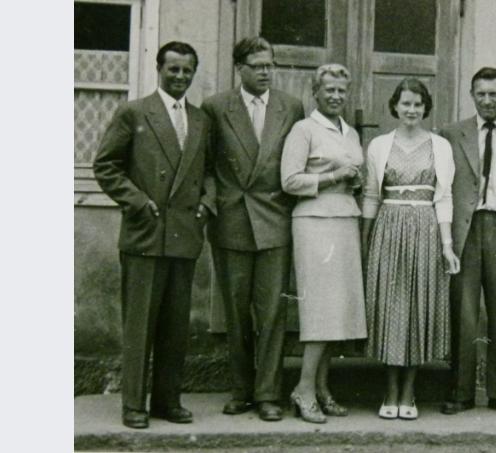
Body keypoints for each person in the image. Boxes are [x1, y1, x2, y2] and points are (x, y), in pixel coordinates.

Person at [93, 41, 215, 429]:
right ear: (159, 70)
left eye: (187, 70)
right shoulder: (134, 112)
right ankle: (133, 404)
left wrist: (207, 204)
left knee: (175, 328)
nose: (180, 77)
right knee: (140, 325)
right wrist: (138, 202)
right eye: (173, 69)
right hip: (146, 234)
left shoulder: (200, 120)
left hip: (184, 235)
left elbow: (211, 171)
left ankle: (167, 401)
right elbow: (106, 166)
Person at [201, 37, 304, 422]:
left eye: (269, 65)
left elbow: (298, 161)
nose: (265, 72)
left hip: (275, 220)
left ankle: (268, 394)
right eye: (257, 65)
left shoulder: (290, 107)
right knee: (236, 311)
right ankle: (241, 389)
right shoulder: (215, 107)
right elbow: (206, 164)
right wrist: (213, 202)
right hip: (231, 220)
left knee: (273, 312)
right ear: (239, 68)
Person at [363, 78, 461, 420]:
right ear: (395, 106)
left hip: (425, 230)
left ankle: (409, 391)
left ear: (426, 107)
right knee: (392, 308)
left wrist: (447, 245)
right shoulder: (378, 145)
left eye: (418, 104)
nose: (411, 110)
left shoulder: (440, 146)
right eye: (405, 103)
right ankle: (390, 390)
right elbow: (372, 196)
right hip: (389, 230)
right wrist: (366, 239)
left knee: (419, 306)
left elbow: (444, 197)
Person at [439, 67, 496, 416]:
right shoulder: (452, 133)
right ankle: (461, 391)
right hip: (467, 229)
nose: (487, 100)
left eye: (494, 93)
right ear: (472, 95)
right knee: (463, 313)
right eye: (481, 93)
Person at [281, 63, 367, 424]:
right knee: (320, 312)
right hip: (314, 224)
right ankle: (302, 389)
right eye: (328, 90)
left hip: (345, 221)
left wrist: (356, 182)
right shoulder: (304, 129)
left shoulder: (350, 133)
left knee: (338, 311)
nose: (335, 96)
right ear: (315, 92)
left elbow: (353, 173)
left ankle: (321, 387)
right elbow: (289, 180)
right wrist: (333, 177)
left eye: (341, 91)